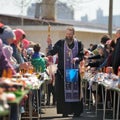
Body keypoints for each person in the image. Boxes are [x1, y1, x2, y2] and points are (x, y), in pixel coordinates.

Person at [46, 27, 84, 117]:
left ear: (73, 34)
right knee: (62, 92)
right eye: (67, 34)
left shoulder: (78, 43)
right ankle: (65, 111)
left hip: (72, 71)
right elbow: (52, 52)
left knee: (73, 92)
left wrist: (77, 58)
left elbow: (81, 55)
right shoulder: (60, 43)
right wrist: (49, 45)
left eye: (70, 34)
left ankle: (76, 111)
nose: (68, 36)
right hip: (61, 71)